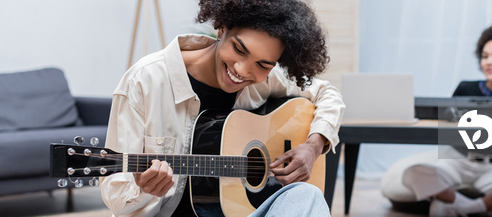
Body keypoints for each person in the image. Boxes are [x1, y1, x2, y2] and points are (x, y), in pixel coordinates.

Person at [100, 0, 345, 216]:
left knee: (307, 195)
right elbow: (115, 195)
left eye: (262, 64)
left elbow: (327, 94)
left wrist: (313, 146)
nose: (242, 70)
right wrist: (143, 190)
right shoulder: (144, 81)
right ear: (222, 28)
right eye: (239, 49)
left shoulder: (268, 80)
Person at [380, 24, 492, 217]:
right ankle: (473, 205)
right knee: (412, 173)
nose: (489, 62)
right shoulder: (465, 89)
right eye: (484, 56)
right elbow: (447, 127)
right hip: (456, 162)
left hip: (489, 168)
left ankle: (463, 208)